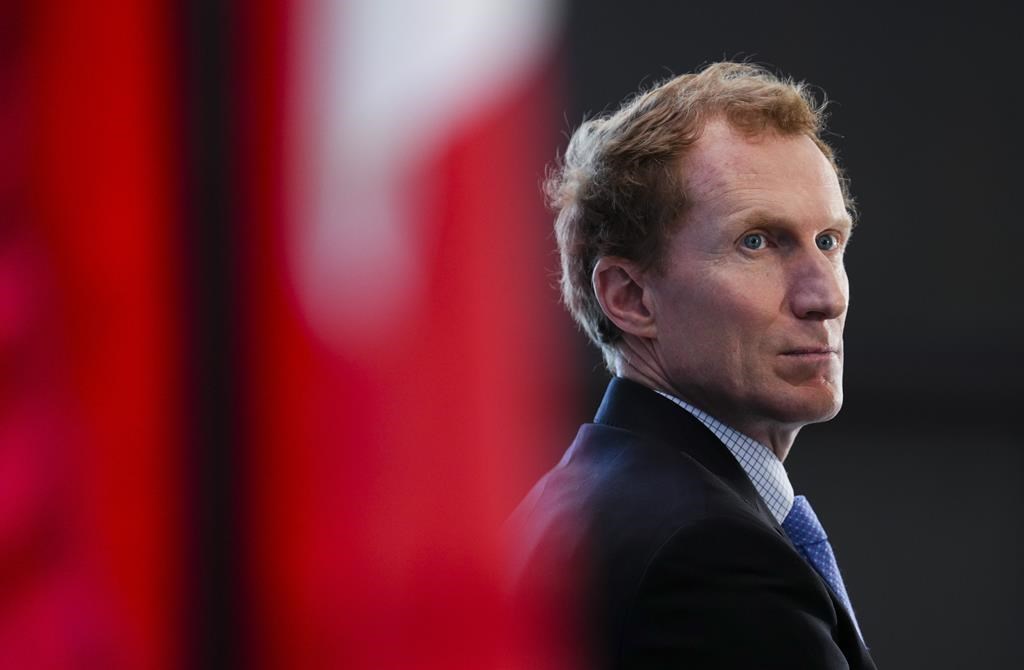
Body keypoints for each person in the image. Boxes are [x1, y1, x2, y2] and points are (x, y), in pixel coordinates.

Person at [507, 62, 877, 669]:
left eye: (829, 241)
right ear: (629, 297)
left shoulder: (576, 501)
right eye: (758, 241)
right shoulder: (710, 557)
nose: (825, 296)